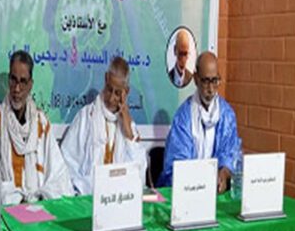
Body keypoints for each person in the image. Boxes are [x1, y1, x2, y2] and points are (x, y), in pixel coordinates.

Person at [0, 50, 73, 205]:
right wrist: (17, 199)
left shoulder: (41, 122)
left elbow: (58, 174)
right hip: (7, 207)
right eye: (13, 80)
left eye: (23, 81)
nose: (17, 89)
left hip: (39, 206)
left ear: (30, 85)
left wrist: (41, 196)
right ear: (9, 80)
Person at [61, 57, 147, 195]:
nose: (111, 98)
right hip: (87, 198)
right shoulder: (86, 117)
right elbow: (66, 162)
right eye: (109, 89)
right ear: (106, 79)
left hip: (119, 200)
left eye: (117, 93)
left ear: (126, 92)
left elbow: (138, 176)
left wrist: (129, 134)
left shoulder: (129, 127)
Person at [158, 51, 242, 193]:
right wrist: (201, 182)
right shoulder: (184, 117)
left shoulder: (227, 115)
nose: (210, 89)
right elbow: (177, 165)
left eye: (214, 81)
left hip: (215, 192)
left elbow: (230, 154)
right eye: (206, 81)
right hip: (189, 191)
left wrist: (224, 173)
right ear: (196, 79)